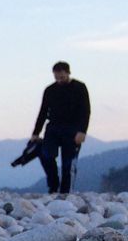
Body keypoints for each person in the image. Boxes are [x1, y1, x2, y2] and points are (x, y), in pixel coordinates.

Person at [31, 61, 91, 195]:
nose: (59, 80)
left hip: (73, 129)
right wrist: (36, 132)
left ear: (68, 73)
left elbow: (85, 111)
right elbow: (43, 112)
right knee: (46, 155)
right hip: (53, 127)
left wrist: (82, 131)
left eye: (61, 77)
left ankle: (65, 192)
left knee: (68, 162)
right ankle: (53, 186)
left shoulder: (80, 88)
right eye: (56, 77)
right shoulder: (50, 90)